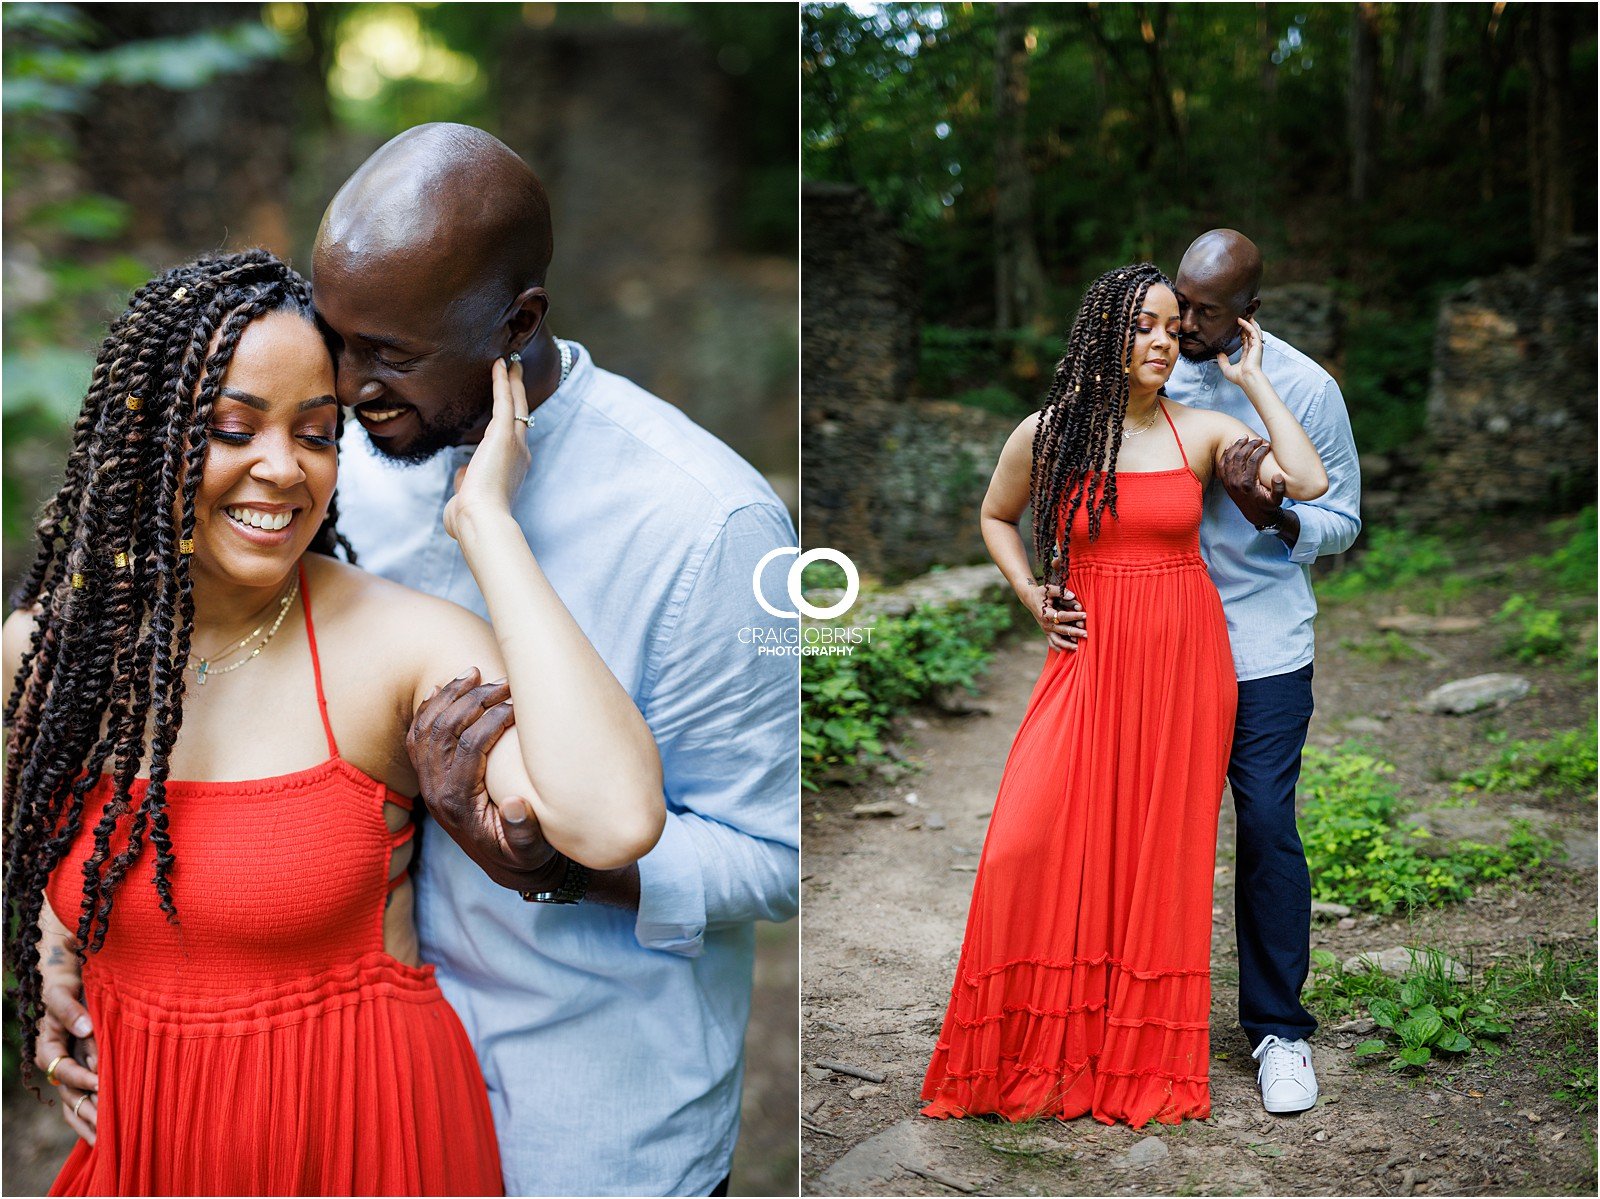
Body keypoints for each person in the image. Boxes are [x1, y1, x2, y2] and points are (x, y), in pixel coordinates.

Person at [4, 250, 666, 1195]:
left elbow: (613, 819)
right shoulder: (49, 653)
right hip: (146, 1147)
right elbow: (44, 845)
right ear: (145, 435)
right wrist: (54, 947)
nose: (282, 469)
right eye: (234, 428)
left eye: (316, 434)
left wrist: (488, 525)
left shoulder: (397, 647)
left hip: (363, 1139)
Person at [316, 124, 797, 1196]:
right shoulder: (319, 468)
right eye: (333, 338)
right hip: (360, 1109)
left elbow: (776, 850)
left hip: (593, 1130)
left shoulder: (708, 525)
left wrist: (557, 865)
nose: (348, 386)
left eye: (391, 353)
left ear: (517, 320)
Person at [919, 263, 1327, 1128]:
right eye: (1143, 325)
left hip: (1186, 665)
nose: (1160, 341)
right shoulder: (1050, 432)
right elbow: (996, 516)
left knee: (1153, 853)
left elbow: (1310, 481)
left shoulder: (1205, 428)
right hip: (1090, 656)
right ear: (1103, 330)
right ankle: (1043, 1041)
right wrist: (1032, 593)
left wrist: (1252, 377)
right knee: (1028, 839)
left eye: (1172, 329)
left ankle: (1134, 1047)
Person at [1165, 229, 1362, 1114]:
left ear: (1251, 311)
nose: (1186, 321)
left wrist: (1276, 519)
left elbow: (1345, 519)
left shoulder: (1307, 388)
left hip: (1263, 646)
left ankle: (1279, 1030)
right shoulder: (1147, 361)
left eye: (1207, 309)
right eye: (1182, 300)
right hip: (1156, 639)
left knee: (1269, 827)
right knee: (1152, 827)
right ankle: (1144, 1015)